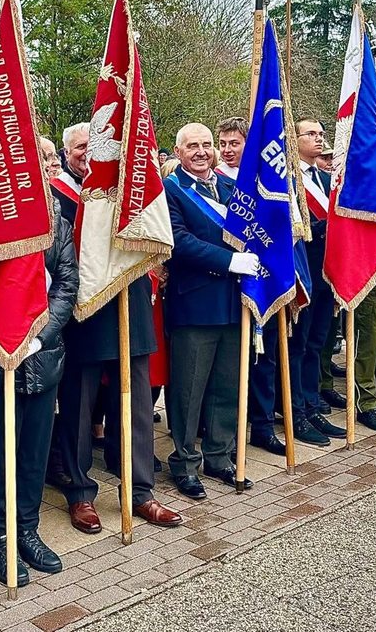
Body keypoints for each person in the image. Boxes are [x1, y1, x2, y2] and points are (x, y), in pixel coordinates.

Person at [51, 123, 181, 531]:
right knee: (78, 408)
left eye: (97, 145)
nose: (89, 152)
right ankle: (79, 492)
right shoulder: (57, 196)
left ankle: (140, 491)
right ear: (67, 153)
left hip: (131, 304)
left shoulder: (132, 190)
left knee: (138, 407)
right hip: (84, 312)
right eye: (80, 147)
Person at [0, 203, 78, 585]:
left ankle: (27, 529)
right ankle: (1, 535)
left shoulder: (56, 222)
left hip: (42, 358)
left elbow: (66, 284)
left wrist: (39, 337)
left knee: (34, 453)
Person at [163, 123, 260, 499]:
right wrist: (230, 261)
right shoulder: (171, 190)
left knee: (226, 385)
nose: (202, 151)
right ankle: (185, 462)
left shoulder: (232, 187)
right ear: (178, 151)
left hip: (235, 302)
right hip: (195, 304)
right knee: (188, 392)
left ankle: (219, 456)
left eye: (206, 144)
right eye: (193, 146)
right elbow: (179, 241)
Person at [288, 119, 346, 445]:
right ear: (294, 139)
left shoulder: (326, 180)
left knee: (316, 345)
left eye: (321, 134)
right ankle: (296, 410)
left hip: (326, 275)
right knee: (298, 346)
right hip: (302, 275)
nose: (318, 138)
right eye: (311, 134)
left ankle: (311, 406)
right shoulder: (287, 179)